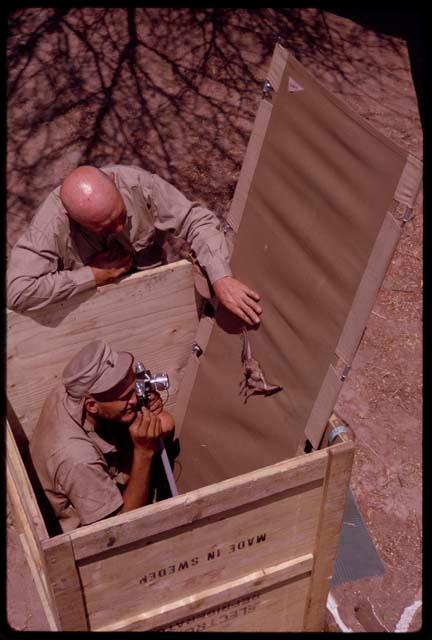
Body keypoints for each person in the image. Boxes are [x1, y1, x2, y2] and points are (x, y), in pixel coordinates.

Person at [7, 164, 262, 325]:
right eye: (104, 228)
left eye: (121, 217)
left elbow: (196, 220)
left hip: (154, 292)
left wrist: (221, 278)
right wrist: (92, 276)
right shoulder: (51, 224)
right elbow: (17, 291)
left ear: (115, 182)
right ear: (72, 219)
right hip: (90, 314)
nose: (119, 230)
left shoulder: (137, 185)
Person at [29, 339, 175, 532]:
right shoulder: (77, 460)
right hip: (96, 533)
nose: (134, 399)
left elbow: (165, 424)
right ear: (91, 405)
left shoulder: (72, 391)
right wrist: (143, 452)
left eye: (134, 390)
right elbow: (119, 530)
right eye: (124, 397)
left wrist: (145, 404)